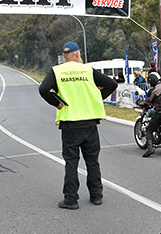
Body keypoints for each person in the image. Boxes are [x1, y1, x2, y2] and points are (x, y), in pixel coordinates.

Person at [38, 41, 117, 209]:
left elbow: (43, 89)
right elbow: (112, 84)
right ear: (77, 55)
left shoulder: (57, 71)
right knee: (92, 161)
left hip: (70, 125)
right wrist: (96, 97)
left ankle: (71, 199)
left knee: (71, 162)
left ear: (65, 57)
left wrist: (57, 103)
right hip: (90, 123)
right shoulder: (87, 70)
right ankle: (96, 196)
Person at [136, 72, 161, 158]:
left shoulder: (156, 89)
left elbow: (147, 101)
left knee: (149, 130)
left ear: (152, 81)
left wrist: (139, 102)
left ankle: (150, 148)